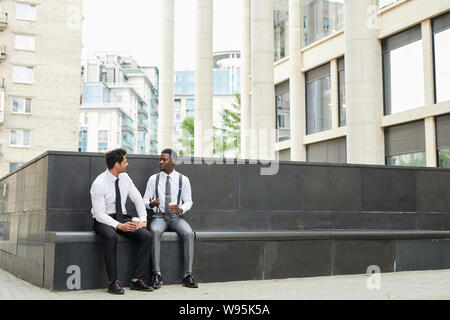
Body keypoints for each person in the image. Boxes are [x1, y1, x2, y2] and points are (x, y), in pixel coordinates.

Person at [91, 148, 154, 294]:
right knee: (111, 236)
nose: (127, 164)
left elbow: (138, 199)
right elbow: (99, 214)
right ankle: (113, 282)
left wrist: (143, 221)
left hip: (122, 217)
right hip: (104, 220)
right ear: (116, 165)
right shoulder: (99, 183)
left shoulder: (125, 177)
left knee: (146, 236)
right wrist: (119, 226)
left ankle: (137, 280)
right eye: (125, 161)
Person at [143, 148, 198, 289]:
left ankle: (188, 275)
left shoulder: (183, 180)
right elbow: (144, 200)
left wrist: (180, 209)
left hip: (176, 218)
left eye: (164, 159)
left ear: (173, 161)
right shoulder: (153, 179)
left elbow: (189, 201)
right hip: (159, 217)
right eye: (160, 159)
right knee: (154, 231)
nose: (160, 162)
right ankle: (156, 274)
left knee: (188, 233)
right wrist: (151, 203)